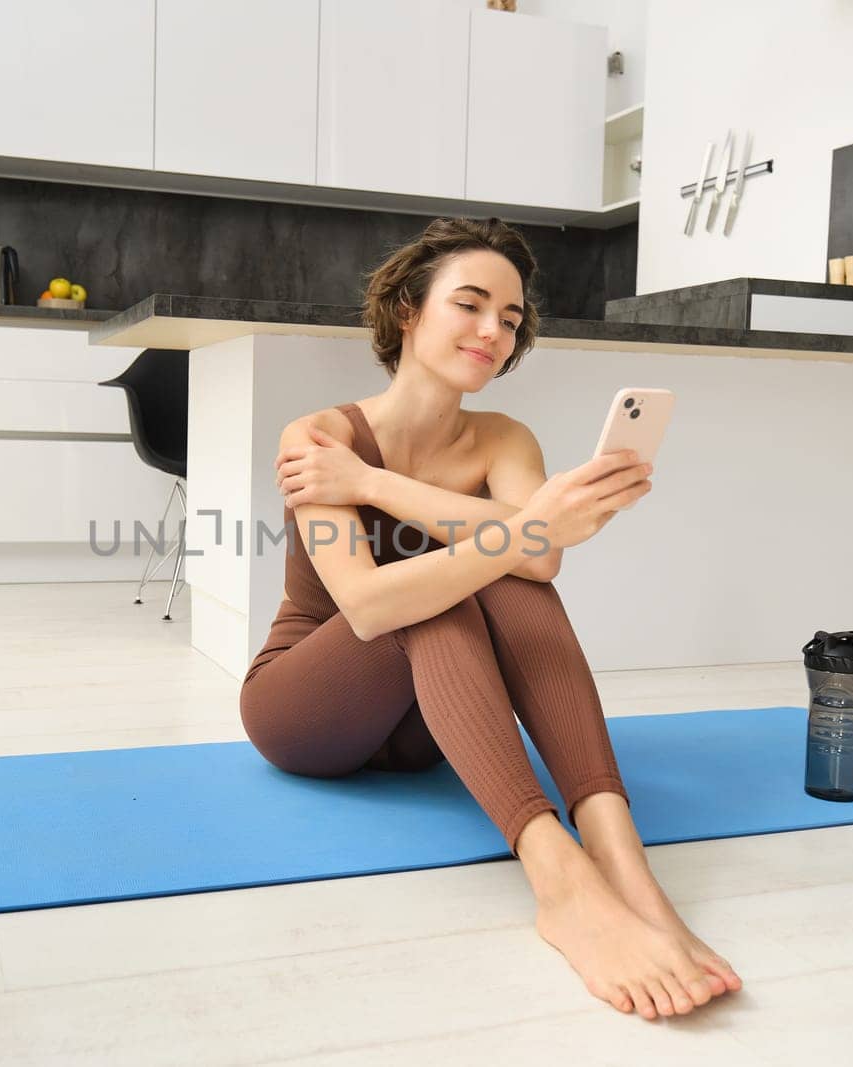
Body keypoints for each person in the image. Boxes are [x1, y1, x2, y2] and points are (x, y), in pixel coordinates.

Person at [238, 217, 743, 1021]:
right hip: (310, 708)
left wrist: (370, 485)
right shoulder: (320, 438)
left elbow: (538, 564)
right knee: (435, 583)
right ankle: (563, 883)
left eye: (509, 319)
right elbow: (368, 606)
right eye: (470, 304)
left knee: (509, 578)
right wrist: (525, 524)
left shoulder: (502, 438)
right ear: (408, 310)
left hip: (427, 727)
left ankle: (621, 856)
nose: (492, 331)